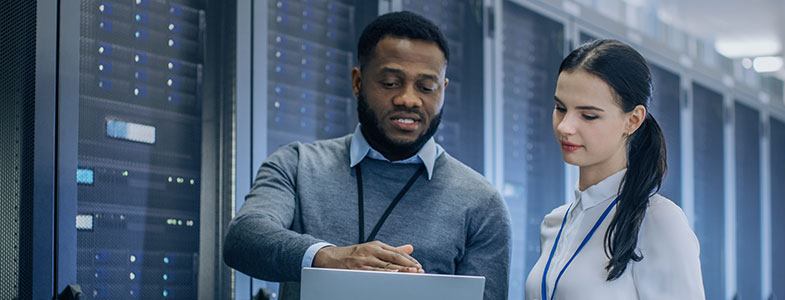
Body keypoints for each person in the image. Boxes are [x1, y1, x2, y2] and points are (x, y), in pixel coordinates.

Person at [223, 11, 511, 300]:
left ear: (443, 90)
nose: (408, 99)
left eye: (426, 87)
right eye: (390, 83)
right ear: (358, 82)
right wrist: (329, 258)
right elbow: (244, 239)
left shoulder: (481, 203)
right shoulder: (298, 164)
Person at [525, 39, 705, 300]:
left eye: (588, 115)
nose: (565, 126)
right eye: (560, 108)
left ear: (632, 120)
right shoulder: (555, 223)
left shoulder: (658, 220)